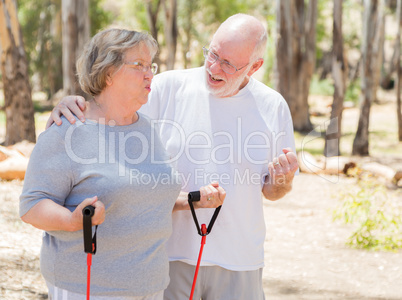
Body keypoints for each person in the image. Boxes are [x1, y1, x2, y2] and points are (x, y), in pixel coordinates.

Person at [47, 14, 298, 300]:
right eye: (213, 53)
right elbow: (109, 115)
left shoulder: (273, 107)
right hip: (166, 254)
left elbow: (273, 191)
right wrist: (74, 104)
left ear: (255, 67)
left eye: (228, 63)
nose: (214, 67)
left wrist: (282, 180)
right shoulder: (166, 87)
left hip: (239, 259)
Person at [20, 28, 225, 300]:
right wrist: (72, 221)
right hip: (87, 287)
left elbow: (143, 195)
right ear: (107, 73)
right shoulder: (67, 130)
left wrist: (194, 200)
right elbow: (32, 204)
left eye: (150, 65)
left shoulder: (148, 129)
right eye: (138, 65)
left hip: (150, 285)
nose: (150, 74)